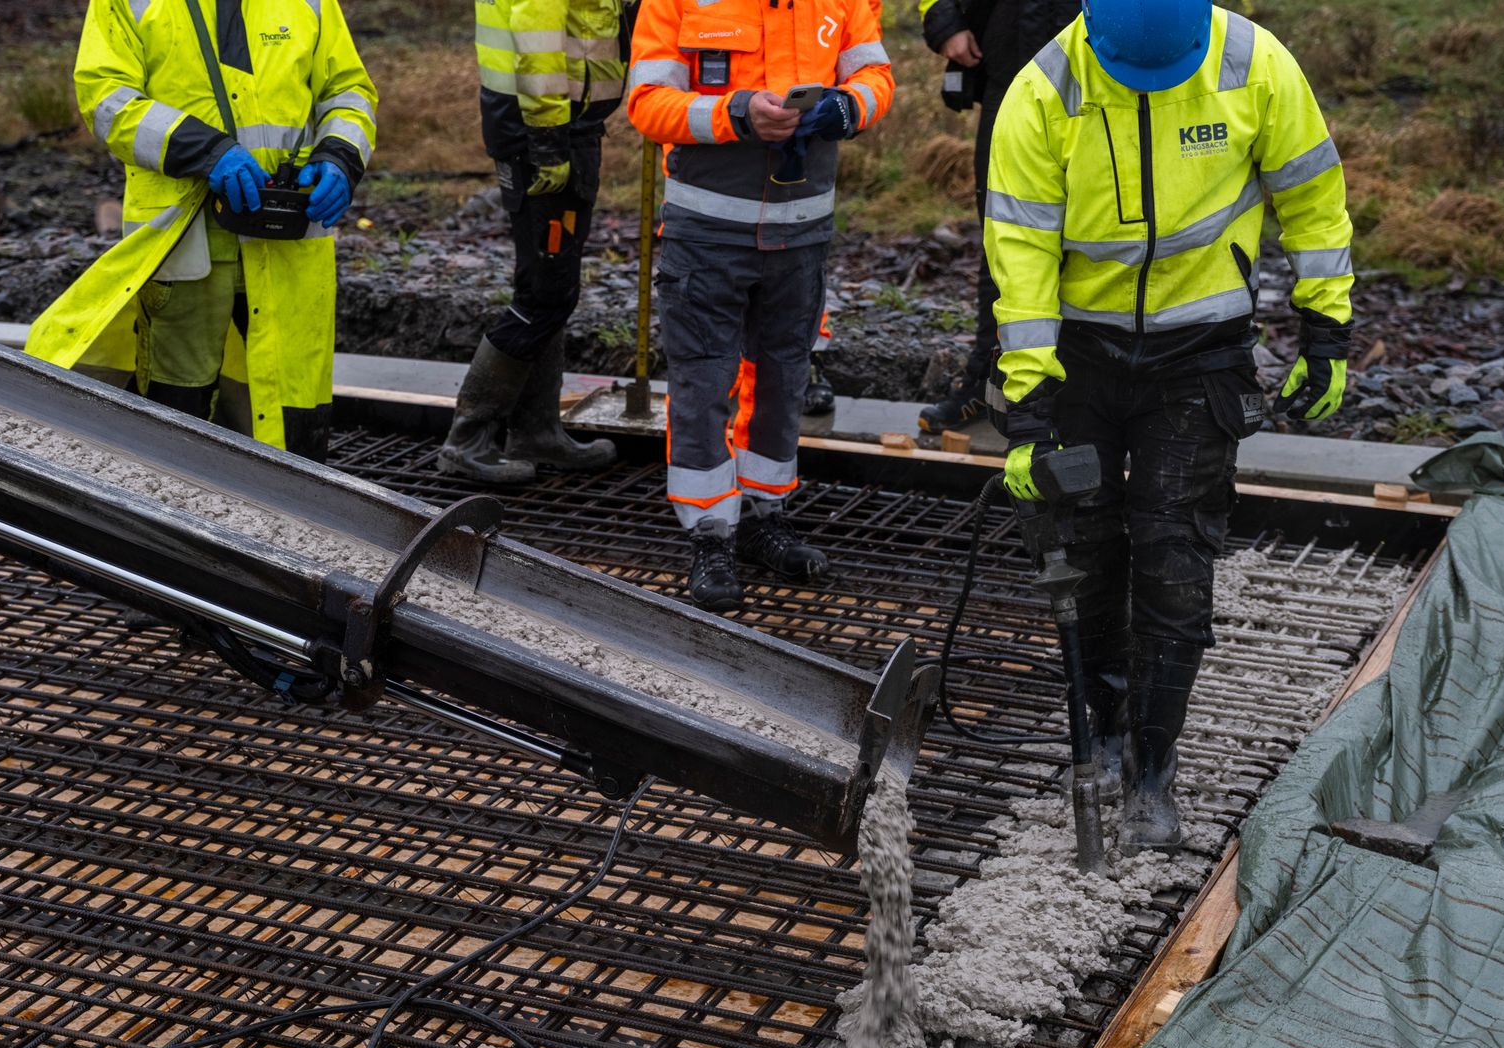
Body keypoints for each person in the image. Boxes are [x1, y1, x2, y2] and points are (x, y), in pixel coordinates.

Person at [987, 0, 1354, 852]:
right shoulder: (1043, 92)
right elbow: (1022, 253)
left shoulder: (1254, 65)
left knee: (1175, 558)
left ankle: (1153, 764)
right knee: (1084, 548)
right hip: (1081, 353)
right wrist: (1029, 408)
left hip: (1201, 354)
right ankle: (1108, 724)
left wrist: (1326, 326)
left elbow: (1312, 195)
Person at [627, 0, 894, 612]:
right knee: (703, 382)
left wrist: (848, 107)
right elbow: (647, 103)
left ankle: (762, 514)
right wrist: (736, 113)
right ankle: (709, 532)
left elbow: (875, 76)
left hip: (800, 236)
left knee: (782, 378)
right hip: (706, 236)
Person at [25, 0, 378, 463]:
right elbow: (107, 98)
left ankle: (285, 507)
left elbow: (348, 90)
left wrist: (339, 155)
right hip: (185, 242)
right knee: (177, 418)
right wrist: (206, 151)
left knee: (290, 410)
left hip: (288, 244)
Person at [436, 0, 627, 484]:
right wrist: (548, 140)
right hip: (545, 128)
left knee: (550, 289)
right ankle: (468, 439)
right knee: (545, 294)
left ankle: (536, 431)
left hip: (558, 125)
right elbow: (537, 42)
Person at [914, 0, 1079, 435]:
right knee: (1003, 241)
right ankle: (989, 382)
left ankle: (1084, 398)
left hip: (1103, 83)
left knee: (1095, 239)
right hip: (1008, 78)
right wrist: (945, 19)